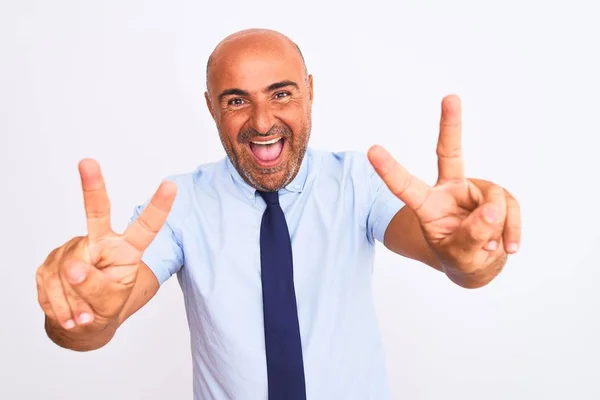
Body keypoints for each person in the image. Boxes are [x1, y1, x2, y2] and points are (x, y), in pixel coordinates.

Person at [35, 28, 521, 399]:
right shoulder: (177, 207)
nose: (263, 121)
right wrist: (84, 313)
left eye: (281, 93)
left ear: (309, 91)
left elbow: (451, 256)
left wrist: (468, 252)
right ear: (211, 108)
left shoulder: (359, 181)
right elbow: (104, 311)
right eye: (236, 101)